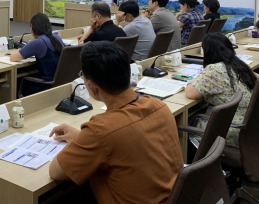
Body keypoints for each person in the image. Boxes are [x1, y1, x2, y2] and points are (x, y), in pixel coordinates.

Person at [49, 42, 183, 203]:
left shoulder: (101, 131)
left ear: (92, 87)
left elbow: (56, 171)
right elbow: (125, 140)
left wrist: (85, 139)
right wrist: (82, 137)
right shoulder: (159, 106)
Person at [185, 33, 256, 148]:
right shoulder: (239, 64)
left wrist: (192, 81)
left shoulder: (214, 69)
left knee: (186, 122)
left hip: (230, 129)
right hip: (248, 125)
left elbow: (191, 93)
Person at [10, 13, 64, 95]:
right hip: (60, 82)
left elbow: (13, 57)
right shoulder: (57, 37)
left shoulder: (39, 42)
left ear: (32, 28)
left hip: (46, 85)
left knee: (19, 82)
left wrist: (22, 49)